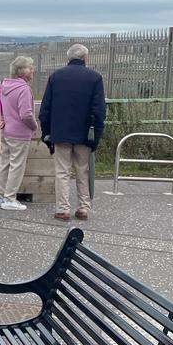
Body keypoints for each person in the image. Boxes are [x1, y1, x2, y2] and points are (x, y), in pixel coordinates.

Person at [39, 43, 106, 221]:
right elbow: (99, 111)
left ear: (68, 58)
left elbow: (45, 109)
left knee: (62, 171)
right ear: (85, 58)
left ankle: (63, 209)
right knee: (82, 170)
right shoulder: (95, 78)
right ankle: (83, 208)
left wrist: (47, 134)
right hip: (85, 134)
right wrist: (96, 136)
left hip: (60, 133)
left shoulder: (56, 77)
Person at [0, 56, 39, 211]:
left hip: (6, 131)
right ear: (23, 71)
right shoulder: (24, 89)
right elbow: (26, 114)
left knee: (4, 163)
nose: (33, 70)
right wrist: (34, 126)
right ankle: (10, 198)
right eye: (31, 67)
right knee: (17, 165)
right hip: (20, 133)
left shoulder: (5, 85)